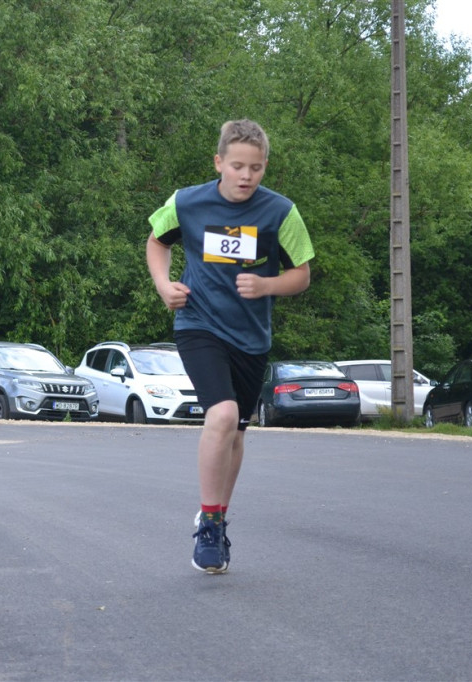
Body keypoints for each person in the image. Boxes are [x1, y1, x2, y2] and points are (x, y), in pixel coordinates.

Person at [145, 119, 315, 574]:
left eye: (256, 168)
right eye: (237, 166)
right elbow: (157, 242)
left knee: (236, 431)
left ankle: (215, 512)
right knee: (220, 415)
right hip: (198, 324)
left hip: (250, 336)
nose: (246, 176)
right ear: (218, 162)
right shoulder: (187, 201)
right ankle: (212, 526)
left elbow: (302, 274)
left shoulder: (281, 212)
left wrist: (266, 285)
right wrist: (164, 285)